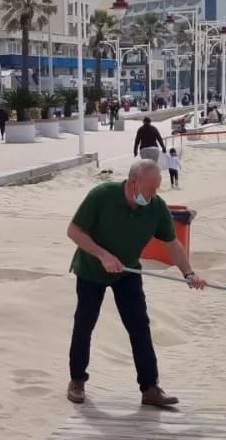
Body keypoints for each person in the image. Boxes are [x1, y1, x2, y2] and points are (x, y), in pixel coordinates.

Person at [65, 160, 205, 409]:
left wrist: (188, 273)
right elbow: (74, 231)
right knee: (85, 324)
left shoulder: (156, 207)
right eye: (150, 188)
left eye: (157, 188)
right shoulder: (101, 196)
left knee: (140, 326)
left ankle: (150, 388)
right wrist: (103, 255)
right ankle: (77, 380)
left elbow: (172, 243)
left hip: (127, 272)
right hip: (90, 270)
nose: (154, 194)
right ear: (132, 183)